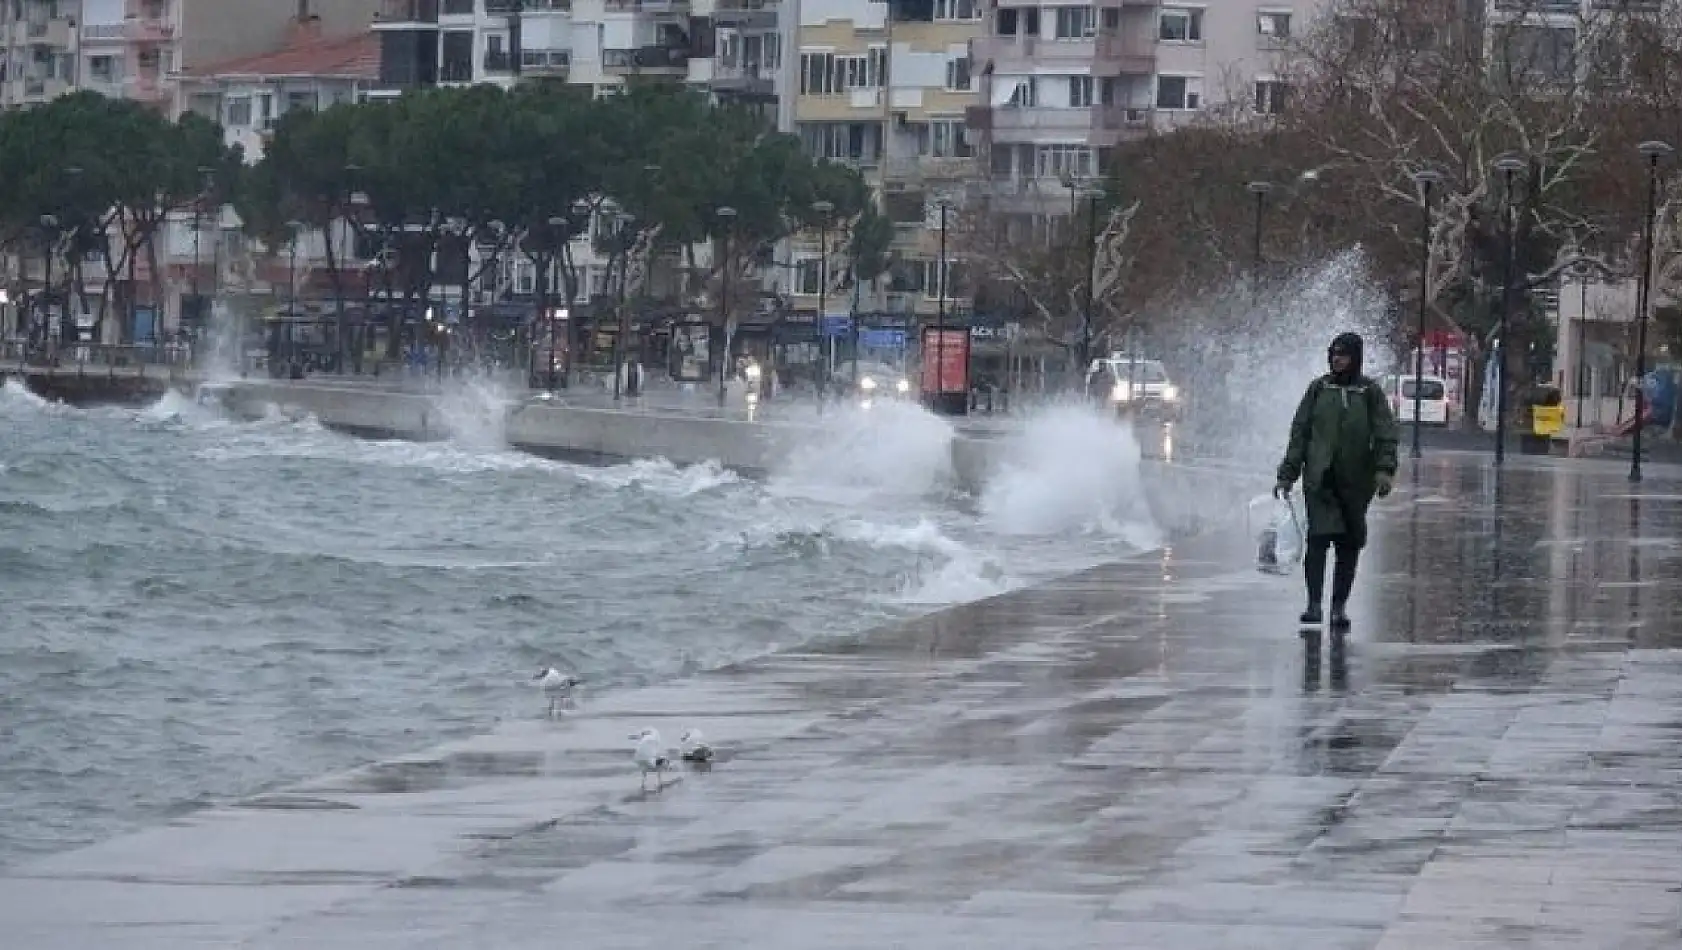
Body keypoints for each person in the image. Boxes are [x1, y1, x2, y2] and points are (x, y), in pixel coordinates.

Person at [1274, 332, 1399, 628]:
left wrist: (1384, 472)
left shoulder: (1369, 392)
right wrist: (1287, 474)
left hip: (1356, 484)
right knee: (1317, 542)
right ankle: (1314, 604)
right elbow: (1300, 433)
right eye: (1333, 353)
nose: (1337, 359)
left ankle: (1339, 607)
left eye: (1343, 354)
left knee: (1349, 544)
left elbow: (1385, 435)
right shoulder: (1319, 389)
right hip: (1320, 480)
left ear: (1355, 356)